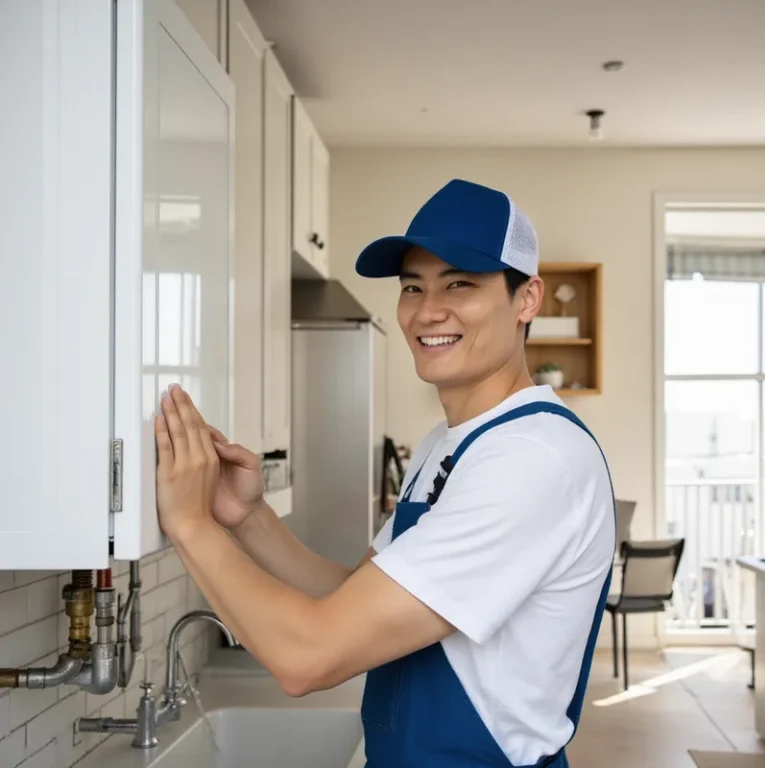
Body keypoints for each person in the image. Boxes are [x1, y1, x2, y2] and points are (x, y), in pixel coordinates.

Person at [154, 178, 616, 768]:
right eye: (412, 287)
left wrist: (191, 525)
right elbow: (353, 596)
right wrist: (246, 518)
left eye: (460, 284)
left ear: (527, 299)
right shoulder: (449, 444)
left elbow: (308, 657)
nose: (427, 311)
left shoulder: (531, 458)